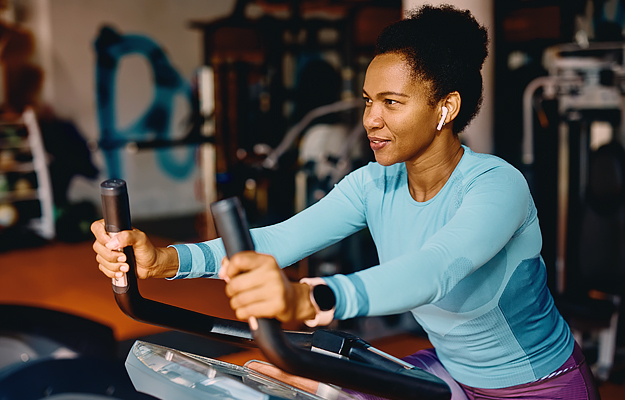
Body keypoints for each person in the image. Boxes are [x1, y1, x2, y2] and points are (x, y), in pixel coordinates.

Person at [92, 5, 601, 400]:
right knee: (262, 378)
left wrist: (310, 299)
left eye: (392, 103)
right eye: (367, 100)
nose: (370, 119)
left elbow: (435, 269)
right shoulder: (372, 185)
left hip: (536, 388)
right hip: (448, 375)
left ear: (446, 107)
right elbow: (279, 239)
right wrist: (166, 260)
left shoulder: (496, 186)